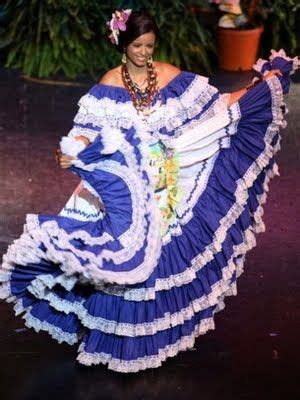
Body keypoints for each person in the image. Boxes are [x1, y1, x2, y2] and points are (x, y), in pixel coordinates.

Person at [0, 9, 298, 373]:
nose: (144, 52)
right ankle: (118, 339)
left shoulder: (169, 75)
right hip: (126, 189)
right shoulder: (109, 86)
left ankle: (150, 336)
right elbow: (85, 133)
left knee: (158, 261)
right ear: (122, 45)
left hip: (166, 183)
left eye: (150, 45)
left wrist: (254, 91)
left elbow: (214, 107)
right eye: (138, 45)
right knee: (122, 257)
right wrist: (71, 149)